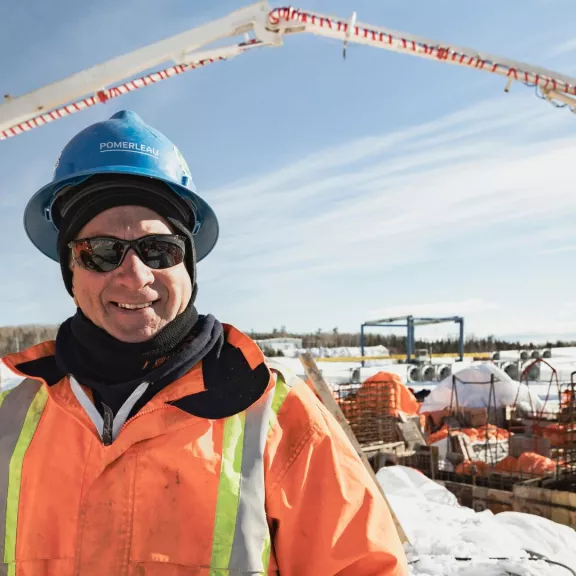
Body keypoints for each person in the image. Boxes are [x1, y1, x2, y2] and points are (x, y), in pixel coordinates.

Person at [0, 110, 408, 575]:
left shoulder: (276, 418)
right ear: (70, 271)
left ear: (188, 267)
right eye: (101, 251)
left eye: (160, 250)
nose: (134, 276)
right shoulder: (10, 416)